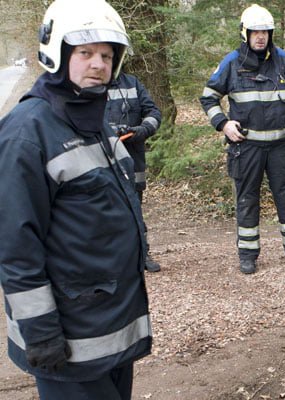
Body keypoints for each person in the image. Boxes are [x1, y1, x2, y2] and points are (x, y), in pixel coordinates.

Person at [0, 1, 152, 399]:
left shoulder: (93, 120)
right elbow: (15, 245)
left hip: (108, 324)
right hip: (68, 339)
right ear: (58, 53)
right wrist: (40, 332)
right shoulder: (27, 133)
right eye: (85, 53)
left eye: (106, 55)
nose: (98, 64)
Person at [200, 4, 285, 275]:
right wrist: (224, 123)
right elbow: (208, 97)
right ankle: (248, 254)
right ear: (245, 33)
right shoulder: (231, 63)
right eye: (255, 32)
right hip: (246, 147)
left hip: (280, 146)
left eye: (265, 32)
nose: (260, 37)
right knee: (247, 200)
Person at [106, 71, 162, 272]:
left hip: (132, 159)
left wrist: (141, 130)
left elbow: (153, 113)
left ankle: (141, 253)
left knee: (134, 208)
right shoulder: (85, 83)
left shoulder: (131, 83)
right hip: (100, 158)